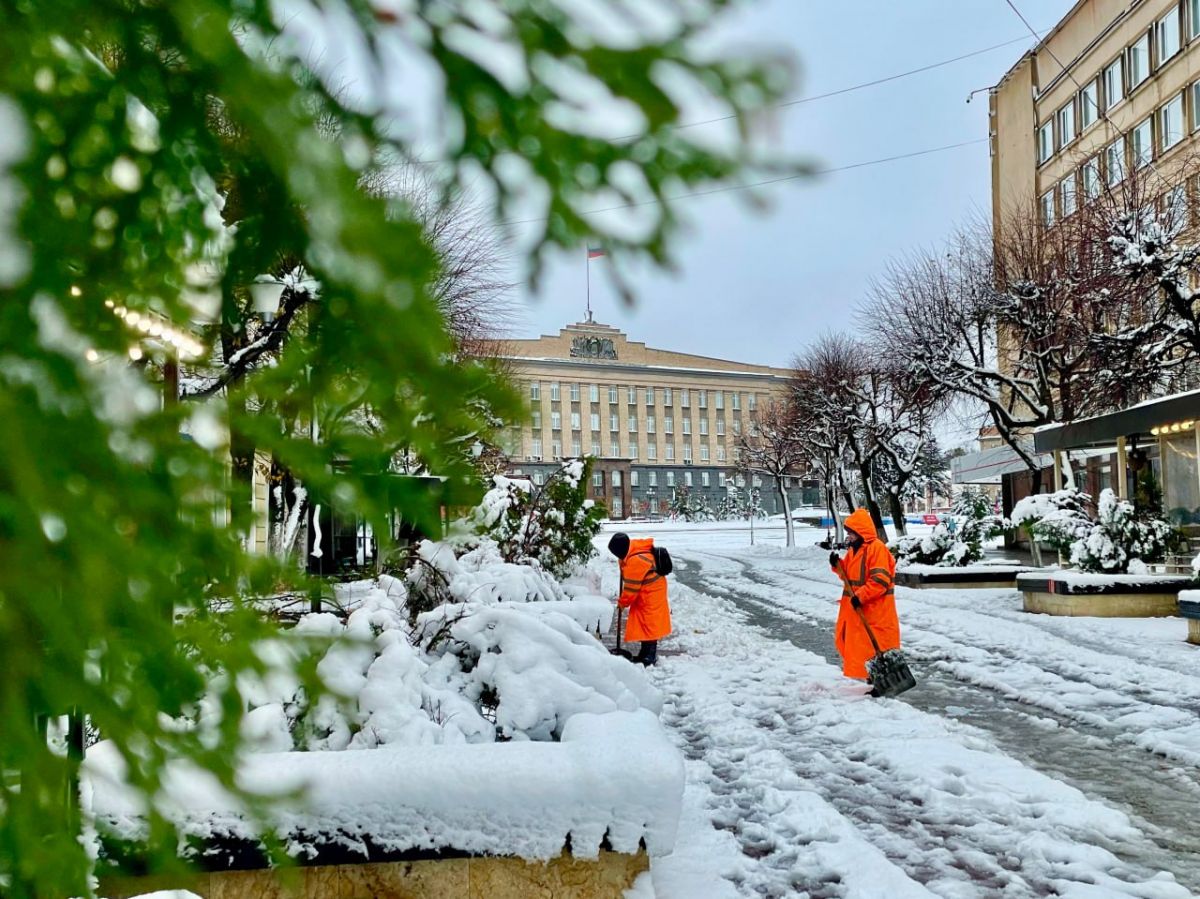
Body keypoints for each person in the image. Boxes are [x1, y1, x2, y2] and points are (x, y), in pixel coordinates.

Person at [829, 509, 900, 691]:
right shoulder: (856, 550)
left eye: (851, 533)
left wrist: (861, 596)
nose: (849, 537)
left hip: (876, 610)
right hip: (861, 609)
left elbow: (879, 581)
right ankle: (873, 678)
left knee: (878, 647)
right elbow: (851, 577)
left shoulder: (876, 549)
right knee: (864, 646)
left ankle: (883, 683)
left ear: (860, 532)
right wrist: (837, 565)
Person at [608, 532, 671, 665]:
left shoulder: (635, 560)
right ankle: (644, 653)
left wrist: (622, 603)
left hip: (652, 592)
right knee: (643, 622)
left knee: (649, 623)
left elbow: (631, 589)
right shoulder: (633, 549)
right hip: (649, 589)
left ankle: (650, 656)